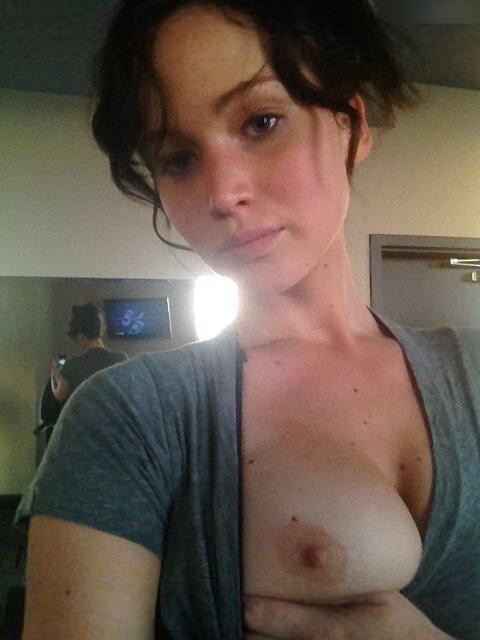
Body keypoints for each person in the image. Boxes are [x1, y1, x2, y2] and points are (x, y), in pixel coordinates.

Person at [15, 1, 479, 638]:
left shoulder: (473, 369)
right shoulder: (129, 417)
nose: (222, 193)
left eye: (262, 122)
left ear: (351, 126)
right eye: (178, 159)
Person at [49, 302, 128, 402]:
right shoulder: (121, 359)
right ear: (100, 330)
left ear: (81, 337)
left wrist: (54, 376)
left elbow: (60, 396)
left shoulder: (71, 365)